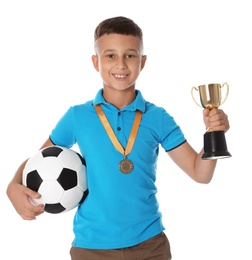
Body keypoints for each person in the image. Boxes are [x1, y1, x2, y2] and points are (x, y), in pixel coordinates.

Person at [6, 16, 230, 260]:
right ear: (96, 62)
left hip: (150, 245)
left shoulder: (158, 117)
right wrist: (12, 187)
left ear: (142, 61)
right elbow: (40, 160)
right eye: (110, 55)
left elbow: (200, 173)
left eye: (130, 55)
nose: (121, 64)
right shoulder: (77, 116)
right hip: (91, 248)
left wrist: (213, 133)